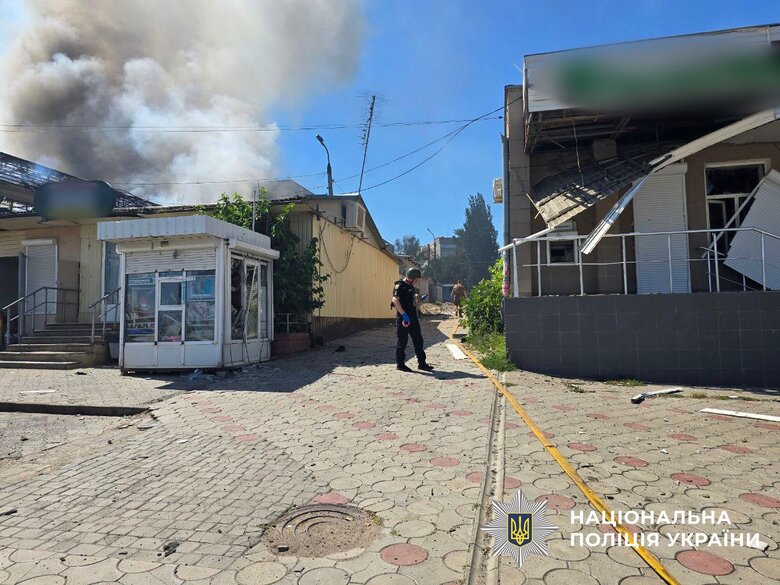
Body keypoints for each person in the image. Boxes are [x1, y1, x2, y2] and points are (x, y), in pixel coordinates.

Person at [392, 267, 434, 372]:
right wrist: (403, 314)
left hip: (413, 317)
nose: (418, 281)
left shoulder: (412, 287)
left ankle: (422, 363)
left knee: (418, 340)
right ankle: (400, 364)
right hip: (403, 318)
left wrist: (420, 299)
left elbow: (413, 301)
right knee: (402, 341)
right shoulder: (400, 285)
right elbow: (395, 300)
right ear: (413, 278)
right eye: (417, 279)